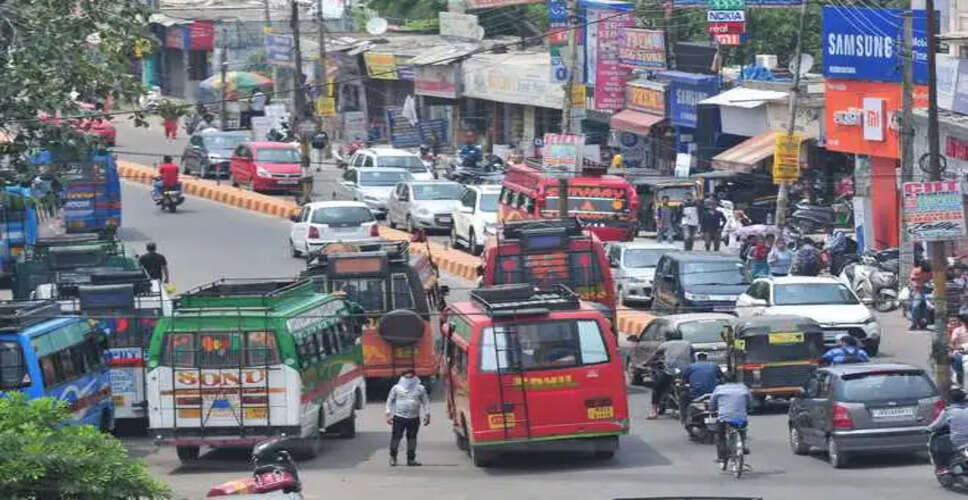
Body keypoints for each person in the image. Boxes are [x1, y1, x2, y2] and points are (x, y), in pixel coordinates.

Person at [385, 369, 430, 466]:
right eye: (407, 377)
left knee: (412, 439)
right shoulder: (396, 388)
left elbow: (425, 401)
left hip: (414, 418)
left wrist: (427, 414)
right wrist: (388, 413)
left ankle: (411, 459)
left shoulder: (420, 389)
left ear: (414, 377)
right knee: (396, 438)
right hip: (399, 418)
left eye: (411, 377)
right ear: (402, 377)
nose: (409, 379)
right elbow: (390, 400)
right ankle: (393, 457)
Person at [709, 372, 752, 464]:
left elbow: (712, 403)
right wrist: (748, 409)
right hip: (741, 418)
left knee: (720, 436)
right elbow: (749, 401)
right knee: (742, 430)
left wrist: (712, 410)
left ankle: (722, 456)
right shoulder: (743, 387)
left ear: (723, 380)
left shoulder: (719, 389)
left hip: (725, 419)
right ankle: (743, 446)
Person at [647, 339, 693, 419]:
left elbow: (655, 356)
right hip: (686, 370)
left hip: (671, 371)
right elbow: (692, 357)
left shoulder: (665, 344)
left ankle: (654, 411)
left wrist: (647, 362)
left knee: (657, 388)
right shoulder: (688, 343)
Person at [928, 387, 968, 473]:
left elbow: (936, 425)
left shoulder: (948, 411)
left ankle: (944, 468)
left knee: (944, 447)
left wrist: (927, 429)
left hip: (958, 442)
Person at [909, 260, 933, 330]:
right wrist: (916, 284)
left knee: (925, 307)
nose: (926, 273)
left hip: (926, 290)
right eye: (924, 271)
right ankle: (913, 323)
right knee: (916, 306)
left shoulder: (930, 272)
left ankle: (923, 323)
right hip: (917, 290)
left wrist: (929, 284)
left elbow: (932, 279)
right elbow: (912, 280)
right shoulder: (916, 271)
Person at [951, 312, 968, 385]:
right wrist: (958, 347)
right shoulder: (957, 330)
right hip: (960, 352)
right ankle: (959, 374)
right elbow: (953, 343)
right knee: (958, 359)